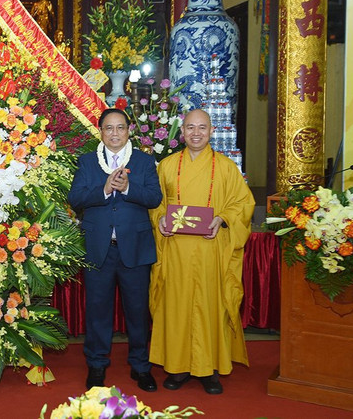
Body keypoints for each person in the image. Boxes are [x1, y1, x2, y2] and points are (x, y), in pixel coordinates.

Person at [149, 109, 254, 394]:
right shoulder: (167, 166)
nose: (196, 133)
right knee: (177, 307)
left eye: (202, 128)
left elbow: (242, 205)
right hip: (175, 252)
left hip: (211, 250)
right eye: (190, 127)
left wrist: (222, 219)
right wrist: (159, 220)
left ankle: (209, 369)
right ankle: (179, 367)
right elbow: (155, 203)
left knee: (211, 307)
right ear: (181, 131)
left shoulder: (226, 168)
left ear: (211, 131)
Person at [68, 108, 162, 392]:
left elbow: (155, 198)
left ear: (128, 130)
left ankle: (141, 366)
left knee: (137, 311)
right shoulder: (87, 162)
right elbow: (75, 198)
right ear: (100, 132)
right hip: (99, 249)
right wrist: (105, 189)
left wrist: (130, 187)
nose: (115, 133)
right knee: (98, 310)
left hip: (134, 248)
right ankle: (96, 365)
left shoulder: (145, 162)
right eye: (109, 128)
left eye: (120, 128)